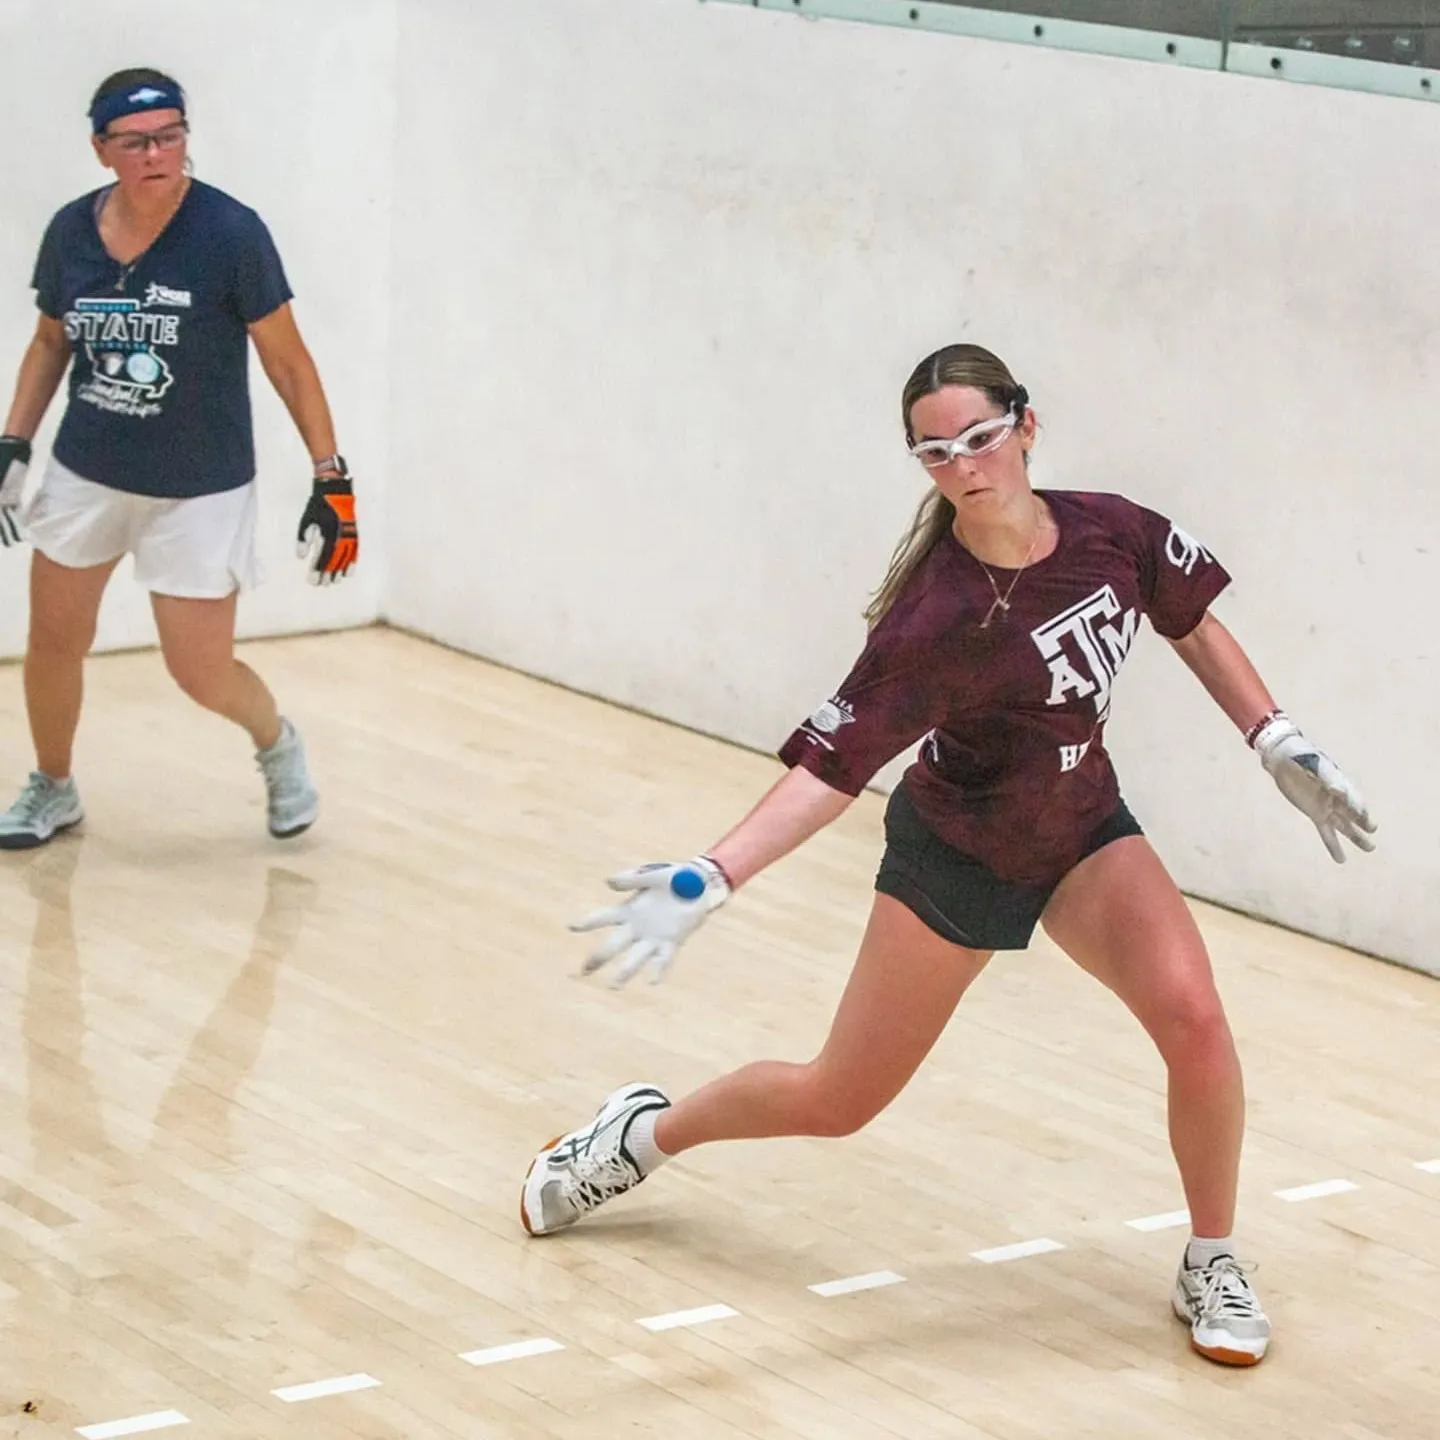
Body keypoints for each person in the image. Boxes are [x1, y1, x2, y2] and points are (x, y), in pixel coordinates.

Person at [518, 343, 1376, 1369]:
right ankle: (639, 1136)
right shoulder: (936, 617)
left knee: (1196, 1021)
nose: (966, 467)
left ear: (1025, 424)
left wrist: (1272, 735)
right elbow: (830, 773)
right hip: (958, 855)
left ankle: (1212, 1259)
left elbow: (1190, 621)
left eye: (980, 438)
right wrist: (714, 873)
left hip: (1082, 831)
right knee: (837, 1098)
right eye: (936, 453)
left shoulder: (1111, 530)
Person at [0, 68, 360, 850]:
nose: (158, 152)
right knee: (54, 639)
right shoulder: (70, 231)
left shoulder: (231, 234)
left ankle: (276, 743)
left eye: (170, 135)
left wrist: (332, 479)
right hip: (86, 470)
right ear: (103, 151)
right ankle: (52, 786)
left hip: (200, 488)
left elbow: (290, 363)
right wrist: (13, 441)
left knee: (197, 671)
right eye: (135, 141)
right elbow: (49, 341)